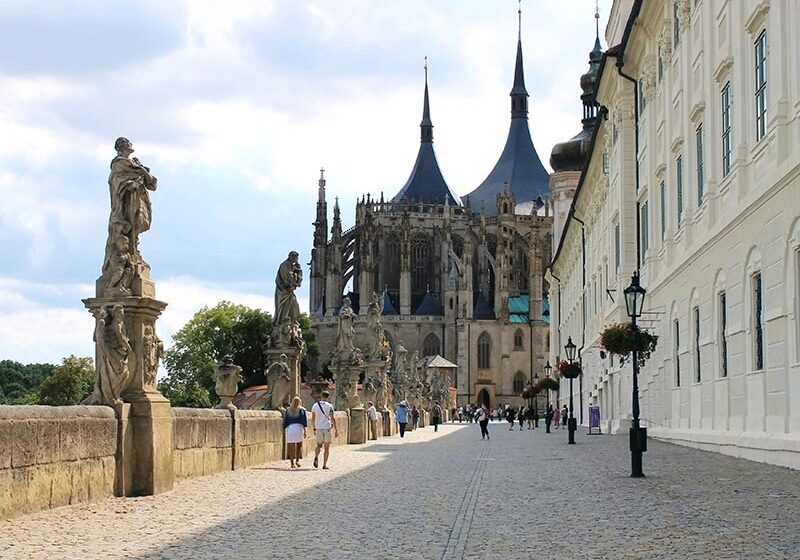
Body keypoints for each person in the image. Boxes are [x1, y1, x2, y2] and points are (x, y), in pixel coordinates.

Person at [311, 391, 338, 469]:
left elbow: (313, 417)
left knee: (318, 445)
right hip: (327, 428)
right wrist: (336, 429)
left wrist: (314, 427)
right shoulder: (330, 406)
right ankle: (324, 464)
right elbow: (332, 418)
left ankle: (316, 456)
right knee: (326, 448)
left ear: (321, 396)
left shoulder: (315, 405)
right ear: (327, 397)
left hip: (318, 427)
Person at [284, 396, 308, 469]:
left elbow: (286, 421)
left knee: (291, 446)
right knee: (298, 446)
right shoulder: (302, 410)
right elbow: (304, 421)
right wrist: (305, 431)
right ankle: (297, 460)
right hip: (298, 428)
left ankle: (292, 463)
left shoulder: (288, 410)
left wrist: (285, 428)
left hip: (291, 428)